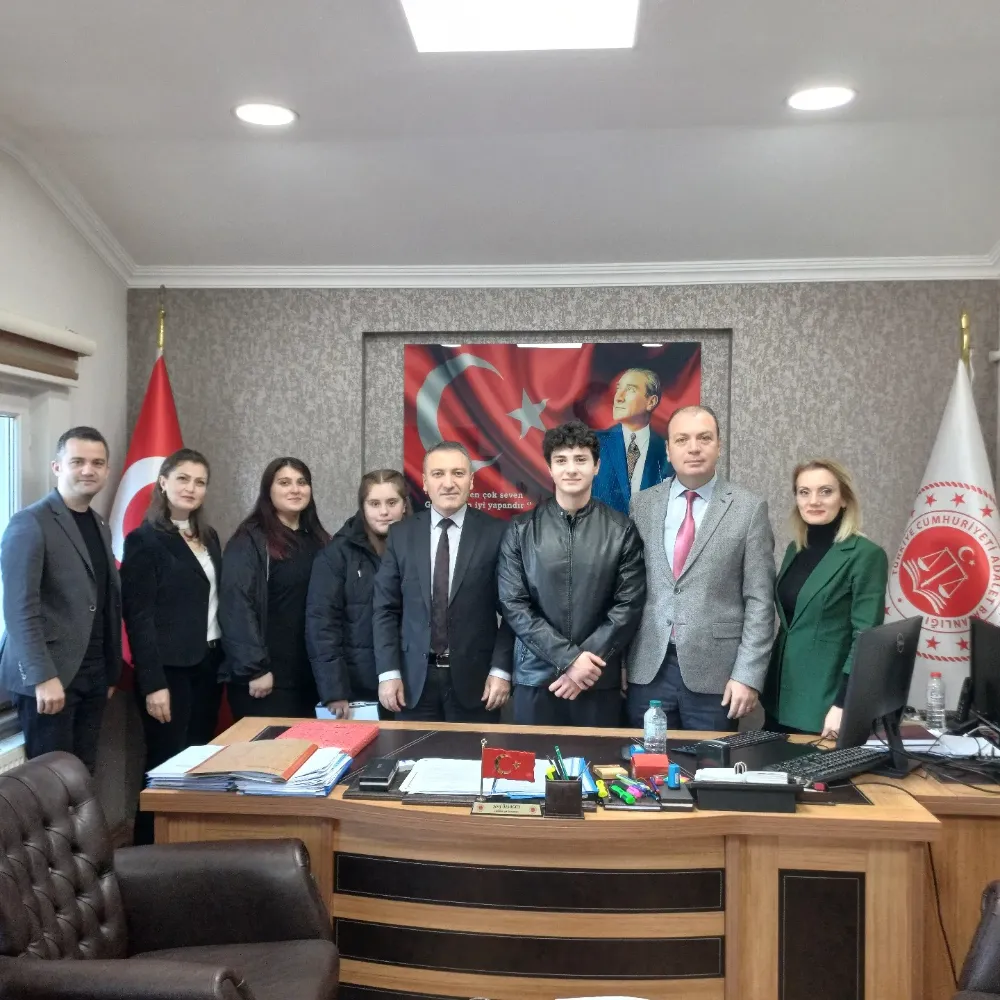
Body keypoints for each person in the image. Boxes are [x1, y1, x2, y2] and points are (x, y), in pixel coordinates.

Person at [627, 405, 775, 731]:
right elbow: (628, 590)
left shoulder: (748, 509)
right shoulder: (643, 505)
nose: (693, 448)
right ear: (668, 450)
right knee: (645, 759)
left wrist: (748, 675)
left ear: (719, 446)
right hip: (648, 668)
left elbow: (760, 600)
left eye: (704, 438)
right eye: (682, 439)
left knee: (707, 762)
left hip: (717, 676)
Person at [498, 421, 646, 727]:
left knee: (597, 759)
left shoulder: (621, 530)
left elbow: (628, 605)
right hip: (536, 678)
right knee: (535, 759)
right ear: (549, 468)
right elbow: (513, 604)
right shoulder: (521, 529)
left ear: (596, 466)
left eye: (580, 459)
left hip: (596, 677)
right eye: (561, 460)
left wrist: (583, 664)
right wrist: (568, 659)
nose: (571, 469)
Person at [0, 426, 120, 773]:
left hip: (93, 674)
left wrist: (108, 672)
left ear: (107, 470)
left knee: (82, 777)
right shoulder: (29, 523)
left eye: (97, 463)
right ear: (57, 467)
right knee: (51, 785)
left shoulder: (99, 524)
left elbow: (103, 600)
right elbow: (19, 609)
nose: (88, 470)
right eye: (77, 461)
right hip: (50, 678)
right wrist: (42, 677)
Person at [121, 448, 222, 843]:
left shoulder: (209, 537)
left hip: (208, 665)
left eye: (199, 482)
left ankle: (188, 849)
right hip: (168, 673)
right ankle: (147, 852)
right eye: (182, 478)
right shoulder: (144, 540)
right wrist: (153, 684)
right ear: (163, 482)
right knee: (165, 767)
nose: (190, 488)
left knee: (198, 762)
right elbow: (138, 617)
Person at [372, 441, 514, 723]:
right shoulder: (401, 535)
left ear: (471, 481)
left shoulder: (497, 533)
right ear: (425, 483)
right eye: (438, 474)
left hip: (477, 684)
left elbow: (513, 610)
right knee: (412, 753)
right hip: (412, 684)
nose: (448, 483)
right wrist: (388, 673)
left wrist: (501, 670)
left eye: (458, 473)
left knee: (473, 754)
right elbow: (385, 609)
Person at [761, 459, 888, 737]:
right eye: (804, 492)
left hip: (825, 704)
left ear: (844, 499)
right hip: (780, 698)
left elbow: (865, 639)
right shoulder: (796, 549)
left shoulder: (866, 555)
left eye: (825, 491)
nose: (814, 501)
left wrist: (843, 704)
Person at [220, 457, 330, 719]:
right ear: (268, 490)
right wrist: (254, 668)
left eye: (302, 482)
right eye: (284, 482)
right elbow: (236, 605)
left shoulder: (319, 539)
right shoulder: (250, 539)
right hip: (266, 680)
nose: (295, 489)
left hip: (310, 678)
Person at [307, 469, 410, 719]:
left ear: (405, 505)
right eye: (374, 504)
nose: (384, 512)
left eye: (392, 502)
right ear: (362, 507)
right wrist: (334, 690)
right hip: (359, 688)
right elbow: (322, 625)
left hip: (413, 681)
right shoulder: (337, 554)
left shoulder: (422, 546)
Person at [592, 368, 672, 516]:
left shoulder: (667, 451)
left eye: (630, 390)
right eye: (618, 389)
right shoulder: (592, 444)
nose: (618, 397)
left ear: (651, 402)